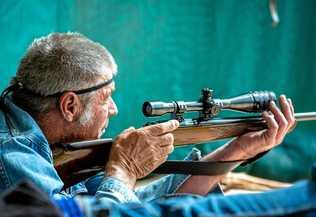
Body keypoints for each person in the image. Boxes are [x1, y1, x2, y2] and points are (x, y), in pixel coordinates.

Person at [0, 32, 295, 203]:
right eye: (107, 98)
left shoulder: (51, 146)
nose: (114, 109)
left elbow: (142, 208)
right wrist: (123, 171)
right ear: (70, 106)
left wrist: (239, 149)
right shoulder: (13, 156)